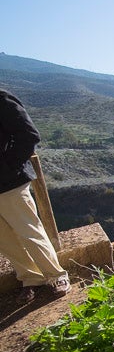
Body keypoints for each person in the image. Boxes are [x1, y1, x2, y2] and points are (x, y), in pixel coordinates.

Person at [0, 88, 70, 304]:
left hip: (9, 182)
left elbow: (29, 135)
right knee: (4, 239)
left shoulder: (1, 99)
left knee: (28, 230)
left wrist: (8, 166)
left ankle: (56, 276)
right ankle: (30, 278)